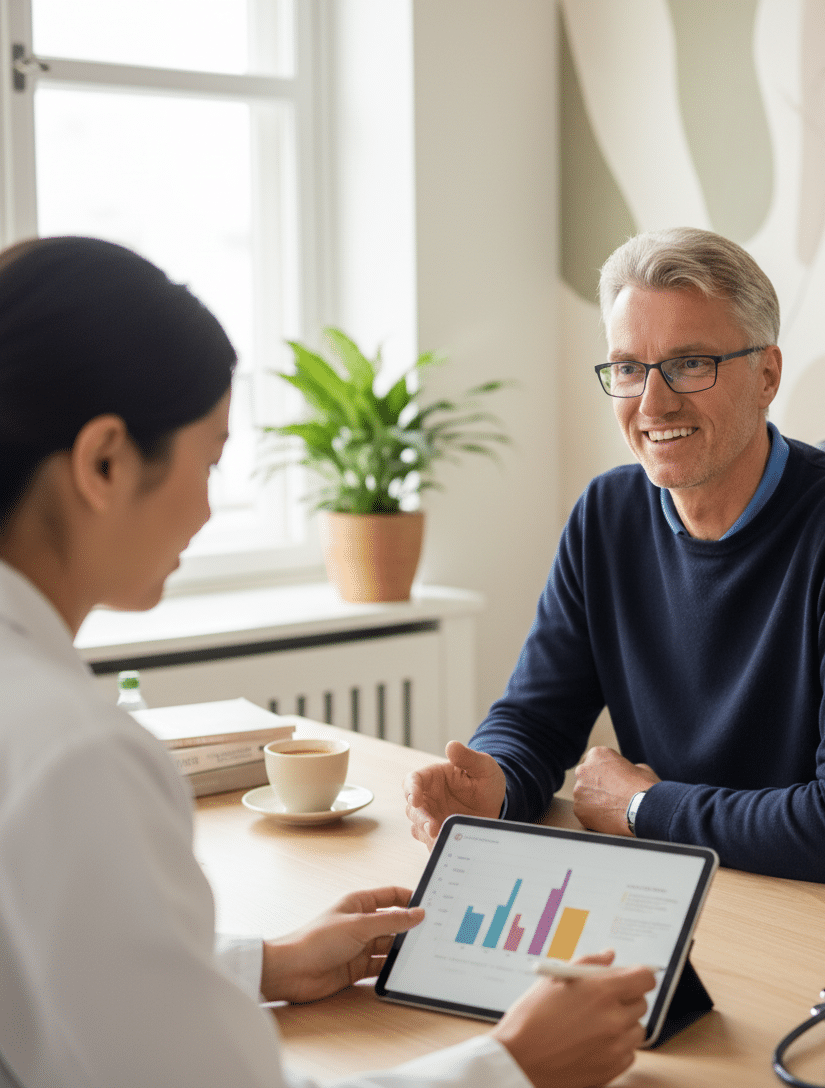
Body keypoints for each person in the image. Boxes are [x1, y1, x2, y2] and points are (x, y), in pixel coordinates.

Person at [0, 236, 655, 1088]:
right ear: (104, 461)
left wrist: (263, 963)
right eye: (209, 461)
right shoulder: (75, 756)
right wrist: (514, 1064)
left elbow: (57, 971)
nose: (206, 508)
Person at [405, 226, 825, 898]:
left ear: (768, 375)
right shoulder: (606, 516)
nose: (653, 402)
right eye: (629, 368)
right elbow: (535, 719)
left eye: (691, 364)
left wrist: (645, 807)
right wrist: (495, 780)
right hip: (693, 891)